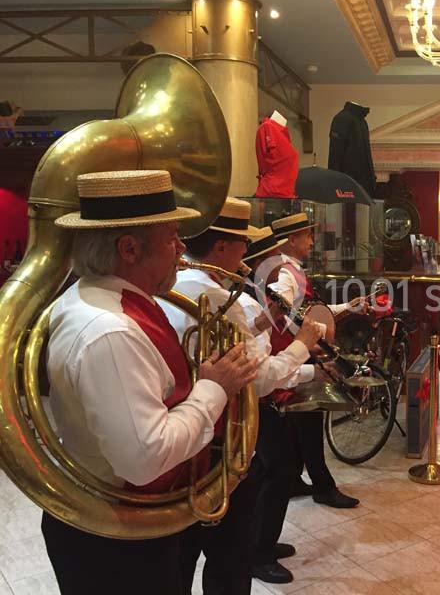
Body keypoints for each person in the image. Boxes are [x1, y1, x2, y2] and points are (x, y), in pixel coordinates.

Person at [43, 170, 258, 595]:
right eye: (172, 237)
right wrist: (214, 387)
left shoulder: (93, 296)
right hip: (117, 541)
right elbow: (144, 458)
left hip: (113, 527)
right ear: (129, 248)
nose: (182, 250)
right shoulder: (113, 330)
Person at [165, 199, 325, 589]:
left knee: (181, 561)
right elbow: (258, 378)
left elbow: (210, 350)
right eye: (242, 245)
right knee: (230, 564)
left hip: (185, 449)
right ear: (222, 248)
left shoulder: (178, 287)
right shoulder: (218, 299)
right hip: (220, 446)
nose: (248, 256)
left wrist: (256, 324)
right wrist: (304, 345)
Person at [259, 212, 366, 508]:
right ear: (291, 240)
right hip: (293, 358)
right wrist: (306, 337)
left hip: (296, 355)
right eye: (307, 235)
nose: (311, 240)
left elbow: (304, 309)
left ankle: (298, 479)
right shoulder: (283, 274)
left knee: (302, 421)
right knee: (309, 418)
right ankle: (322, 485)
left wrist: (346, 306)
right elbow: (280, 311)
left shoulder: (289, 270)